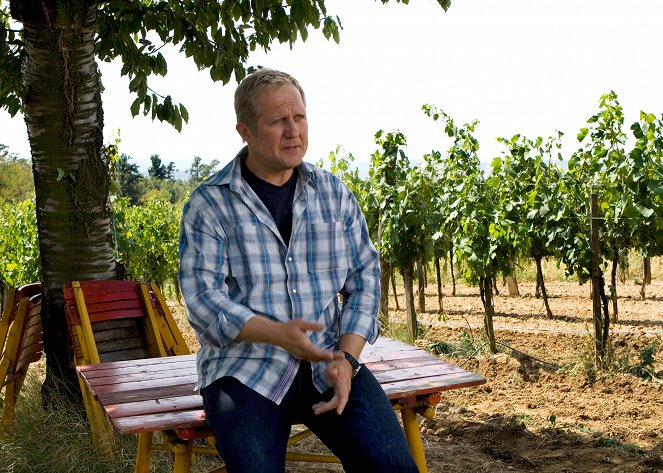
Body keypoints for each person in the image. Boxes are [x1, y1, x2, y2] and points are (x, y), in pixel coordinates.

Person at [178, 68, 418, 473]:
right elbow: (203, 301)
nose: (293, 131)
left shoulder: (333, 192)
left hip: (330, 363)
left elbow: (365, 278)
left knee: (394, 467)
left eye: (299, 117)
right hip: (246, 370)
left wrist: (347, 358)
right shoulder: (210, 204)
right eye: (277, 121)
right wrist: (277, 334)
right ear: (245, 131)